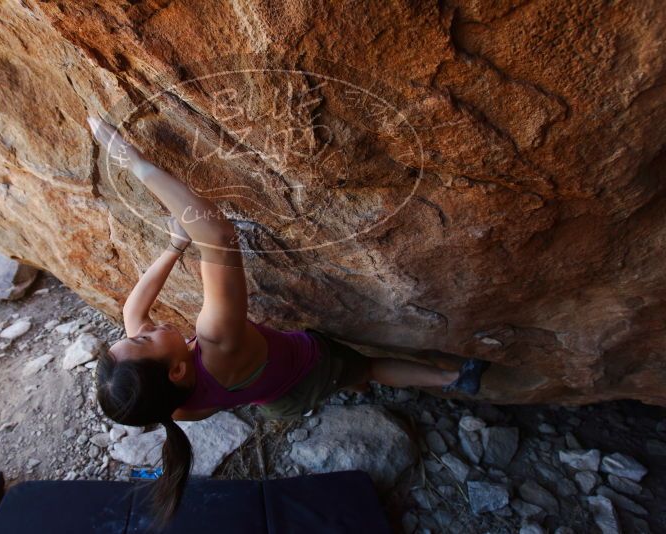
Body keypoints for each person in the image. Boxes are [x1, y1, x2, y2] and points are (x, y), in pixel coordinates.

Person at [88, 116, 490, 526]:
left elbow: (132, 314)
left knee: (352, 379)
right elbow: (217, 235)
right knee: (366, 366)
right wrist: (134, 162)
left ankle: (354, 384)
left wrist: (174, 247)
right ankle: (453, 377)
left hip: (277, 402)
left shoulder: (170, 406)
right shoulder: (218, 342)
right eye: (140, 341)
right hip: (309, 368)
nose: (143, 330)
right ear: (174, 370)